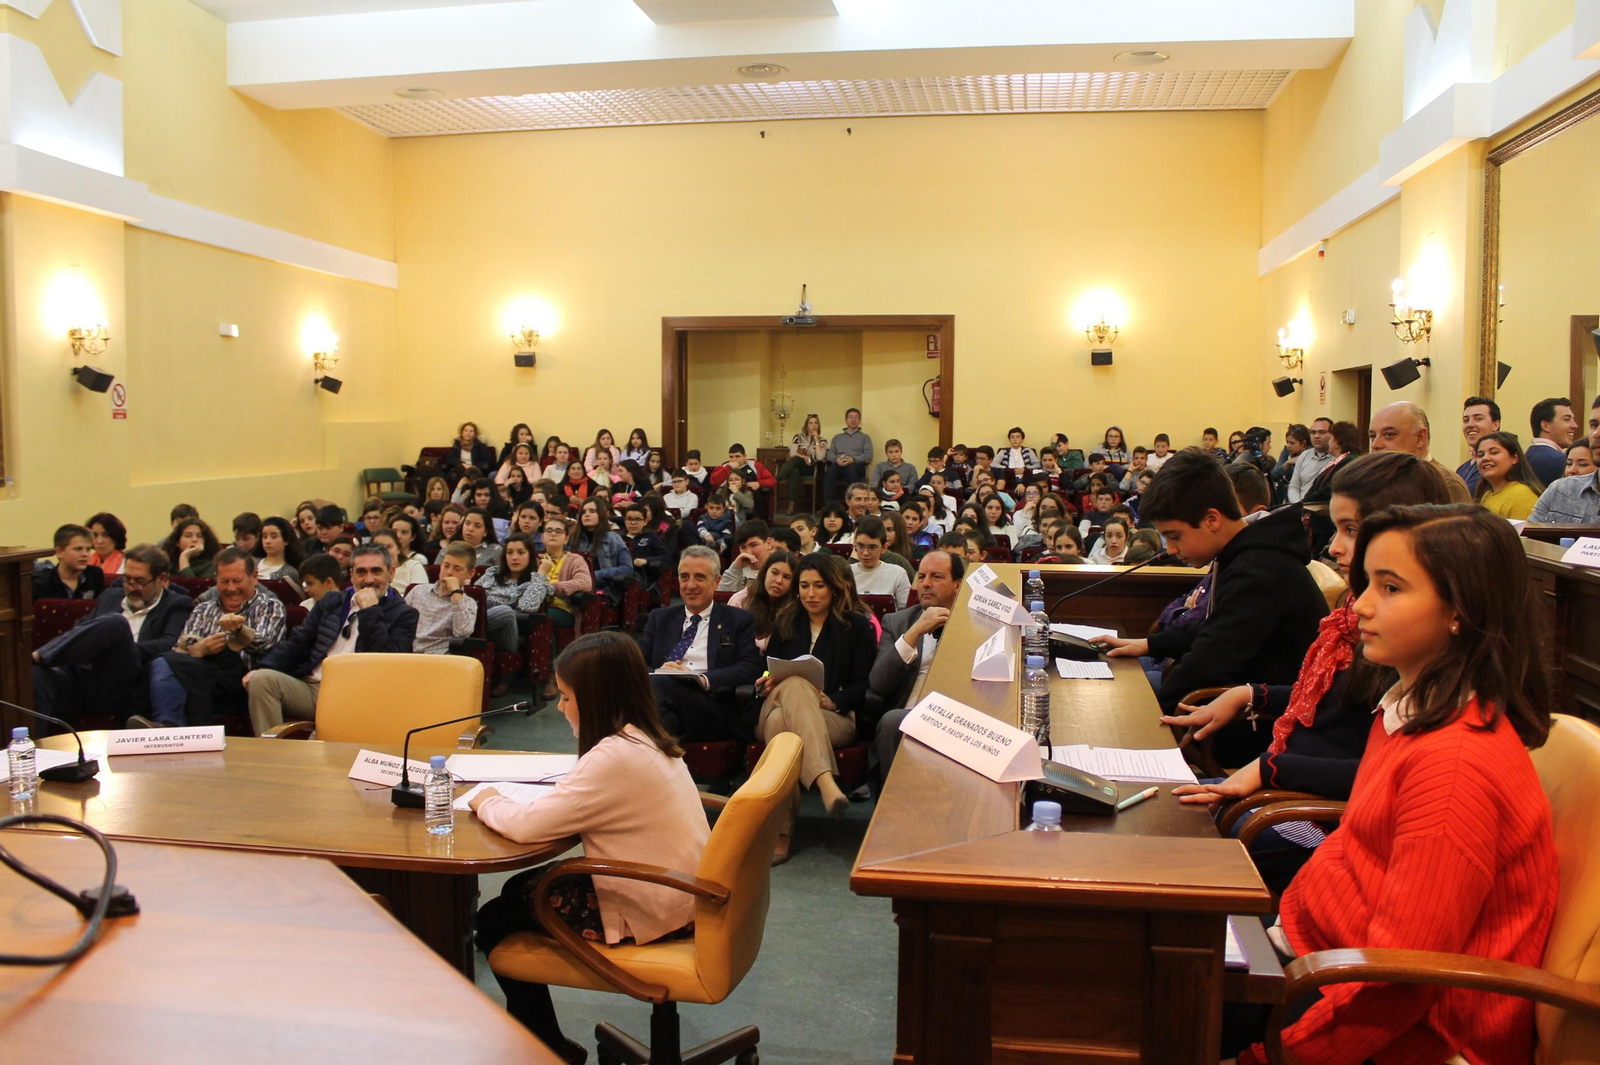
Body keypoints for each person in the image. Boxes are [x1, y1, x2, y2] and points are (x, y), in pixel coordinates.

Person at [1228, 505, 1557, 1065]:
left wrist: (1270, 1058)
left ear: (1460, 612)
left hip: (1401, 1026)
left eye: (1391, 588)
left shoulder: (1455, 765)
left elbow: (1400, 978)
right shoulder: (1407, 709)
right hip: (1317, 954)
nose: (1360, 607)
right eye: (1367, 585)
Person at [1168, 452, 1452, 890]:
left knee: (1177, 847)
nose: (1334, 546)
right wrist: (1250, 694)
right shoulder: (1363, 620)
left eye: (1351, 530)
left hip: (1318, 816)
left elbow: (1388, 773)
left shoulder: (1413, 639)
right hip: (1294, 793)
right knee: (1167, 815)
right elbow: (1334, 699)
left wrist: (1271, 770)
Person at [470, 632, 707, 1064]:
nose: (559, 708)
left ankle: (544, 1049)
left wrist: (486, 800)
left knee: (493, 919)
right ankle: (543, 1043)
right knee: (519, 889)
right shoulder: (644, 737)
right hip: (685, 892)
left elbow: (526, 826)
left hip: (653, 906)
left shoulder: (614, 757)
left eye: (565, 697)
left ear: (594, 698)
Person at [1094, 449, 1327, 766]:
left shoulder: (1260, 568)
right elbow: (1215, 627)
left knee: (1114, 716)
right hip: (1237, 704)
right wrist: (1147, 644)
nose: (1172, 549)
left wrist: (1143, 720)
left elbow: (1211, 655)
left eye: (1174, 536)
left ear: (1212, 519)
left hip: (1265, 728)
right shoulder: (1247, 552)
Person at [756, 552, 876, 861]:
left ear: (834, 588)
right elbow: (770, 668)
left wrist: (836, 700)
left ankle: (782, 834)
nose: (810, 594)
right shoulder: (784, 621)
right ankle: (825, 782)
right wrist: (767, 679)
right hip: (779, 702)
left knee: (784, 733)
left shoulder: (857, 628)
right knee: (794, 685)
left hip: (833, 715)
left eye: (819, 586)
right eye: (804, 586)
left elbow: (864, 683)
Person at [244, 543, 419, 735]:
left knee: (321, 736)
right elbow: (299, 642)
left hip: (360, 694)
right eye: (361, 572)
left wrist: (370, 611)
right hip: (314, 686)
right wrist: (265, 666)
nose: (368, 579)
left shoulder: (405, 614)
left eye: (376, 571)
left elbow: (388, 662)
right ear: (351, 575)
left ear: (391, 573)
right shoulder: (331, 602)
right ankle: (271, 756)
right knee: (261, 680)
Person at [30, 544, 194, 727]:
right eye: (127, 580)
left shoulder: (177, 604)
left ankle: (38, 656)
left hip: (128, 682)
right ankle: (34, 748)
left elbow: (169, 644)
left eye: (139, 581)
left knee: (116, 624)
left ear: (162, 579)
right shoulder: (111, 596)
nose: (131, 588)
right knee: (38, 675)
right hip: (87, 676)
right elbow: (82, 628)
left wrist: (118, 646)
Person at [139, 548, 286, 728]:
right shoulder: (203, 609)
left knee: (169, 664)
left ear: (254, 577)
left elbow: (266, 643)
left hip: (245, 683)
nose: (230, 588)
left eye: (237, 581)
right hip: (203, 677)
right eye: (224, 581)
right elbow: (180, 648)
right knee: (162, 661)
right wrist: (200, 649)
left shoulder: (270, 607)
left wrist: (237, 632)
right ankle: (165, 725)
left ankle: (167, 726)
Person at [639, 546, 763, 743]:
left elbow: (751, 666)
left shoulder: (738, 619)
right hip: (662, 698)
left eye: (699, 577)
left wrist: (704, 679)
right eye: (684, 577)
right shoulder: (660, 618)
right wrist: (659, 671)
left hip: (712, 707)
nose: (690, 585)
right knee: (661, 704)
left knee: (656, 690)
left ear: (716, 582)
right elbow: (635, 663)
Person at [869, 549, 963, 782]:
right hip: (907, 716)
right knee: (892, 722)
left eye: (936, 577)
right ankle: (891, 812)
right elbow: (878, 683)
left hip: (957, 719)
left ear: (957, 585)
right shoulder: (898, 622)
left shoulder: (974, 626)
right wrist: (915, 632)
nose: (926, 584)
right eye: (921, 577)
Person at [1367, 401, 1473, 503]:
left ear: (1420, 438)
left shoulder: (1444, 483)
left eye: (1389, 434)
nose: (1375, 445)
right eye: (1373, 436)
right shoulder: (1372, 481)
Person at [405, 541, 478, 656]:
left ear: (470, 573)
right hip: (410, 655)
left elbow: (462, 632)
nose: (449, 572)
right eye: (446, 565)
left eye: (457, 569)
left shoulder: (468, 603)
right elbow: (399, 622)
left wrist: (456, 592)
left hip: (443, 659)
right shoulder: (417, 591)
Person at [726, 549, 796, 652]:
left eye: (787, 577)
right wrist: (766, 643)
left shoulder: (795, 605)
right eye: (774, 573)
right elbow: (732, 641)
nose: (778, 581)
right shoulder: (741, 599)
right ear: (764, 573)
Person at [1473, 430, 1544, 520]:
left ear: (1514, 458)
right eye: (1480, 455)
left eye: (1494, 452)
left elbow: (1521, 533)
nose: (1485, 458)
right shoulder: (1487, 495)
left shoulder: (1521, 496)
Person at [573, 497, 634, 601]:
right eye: (583, 512)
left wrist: (595, 575)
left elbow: (627, 569)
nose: (586, 514)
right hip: (576, 586)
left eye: (592, 511)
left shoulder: (613, 538)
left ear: (601, 515)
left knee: (586, 599)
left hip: (604, 587)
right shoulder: (573, 539)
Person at [1529, 434, 1600, 522]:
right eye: (1569, 463)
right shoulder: (1557, 490)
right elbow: (1530, 529)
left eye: (1583, 464)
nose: (1572, 470)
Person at [849, 516, 911, 610]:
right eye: (860, 546)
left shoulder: (898, 574)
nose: (865, 553)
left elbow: (907, 612)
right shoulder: (846, 572)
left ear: (884, 548)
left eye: (872, 547)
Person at [33, 524, 105, 601]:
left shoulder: (95, 575)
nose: (85, 554)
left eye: (88, 549)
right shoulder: (42, 584)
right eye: (78, 549)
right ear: (59, 552)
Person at [1525, 396, 1580, 486]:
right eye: (1566, 419)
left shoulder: (1525, 457)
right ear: (1545, 426)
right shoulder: (1560, 460)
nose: (1574, 425)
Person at [778, 413, 828, 509]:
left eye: (816, 423)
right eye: (811, 423)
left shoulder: (823, 441)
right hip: (798, 465)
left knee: (796, 462)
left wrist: (817, 440)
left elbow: (820, 457)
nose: (813, 425)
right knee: (794, 470)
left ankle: (778, 477)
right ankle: (791, 504)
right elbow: (792, 453)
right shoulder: (798, 437)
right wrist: (803, 457)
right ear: (806, 425)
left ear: (818, 425)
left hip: (812, 468)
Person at [824, 407, 873, 501]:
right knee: (830, 471)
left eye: (856, 417)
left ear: (859, 421)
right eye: (850, 417)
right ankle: (829, 505)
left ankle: (854, 503)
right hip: (839, 463)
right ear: (846, 420)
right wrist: (836, 459)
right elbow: (830, 453)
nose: (853, 420)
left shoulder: (865, 438)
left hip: (855, 465)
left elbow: (869, 455)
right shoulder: (837, 438)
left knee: (852, 469)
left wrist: (853, 460)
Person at [1456, 396, 1501, 494]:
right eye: (1466, 420)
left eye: (1478, 419)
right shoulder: (1462, 469)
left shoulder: (1499, 466)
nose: (1470, 424)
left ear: (1495, 425)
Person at [620, 503, 669, 588]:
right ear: (625, 521)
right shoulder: (618, 537)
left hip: (640, 574)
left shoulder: (651, 535)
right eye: (629, 519)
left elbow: (667, 557)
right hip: (619, 570)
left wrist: (646, 560)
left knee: (625, 580)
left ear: (645, 522)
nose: (633, 523)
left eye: (637, 519)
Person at [256, 516, 306, 595]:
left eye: (273, 537)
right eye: (264, 537)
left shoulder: (290, 573)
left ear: (286, 540)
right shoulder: (251, 563)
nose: (267, 541)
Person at [717, 519, 770, 593]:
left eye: (753, 545)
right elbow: (722, 596)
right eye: (743, 547)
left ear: (768, 543)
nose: (748, 552)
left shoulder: (776, 569)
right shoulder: (737, 570)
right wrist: (735, 568)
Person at [381, 517, 428, 595]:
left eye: (404, 532)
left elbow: (421, 595)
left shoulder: (416, 562)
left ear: (413, 537)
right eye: (394, 531)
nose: (398, 536)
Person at [85, 512, 126, 576]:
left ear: (115, 537)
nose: (99, 541)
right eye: (95, 535)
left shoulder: (126, 564)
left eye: (105, 535)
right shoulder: (86, 562)